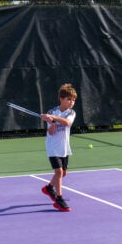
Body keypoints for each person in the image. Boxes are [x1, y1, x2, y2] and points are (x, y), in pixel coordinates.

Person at [41, 83, 77, 212]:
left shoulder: (71, 112)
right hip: (52, 147)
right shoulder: (52, 111)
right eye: (69, 99)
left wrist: (54, 118)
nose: (71, 102)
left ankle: (49, 188)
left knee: (64, 173)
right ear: (61, 99)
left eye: (73, 100)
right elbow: (51, 132)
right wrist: (51, 123)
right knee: (59, 172)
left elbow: (67, 123)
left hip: (64, 147)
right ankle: (59, 199)